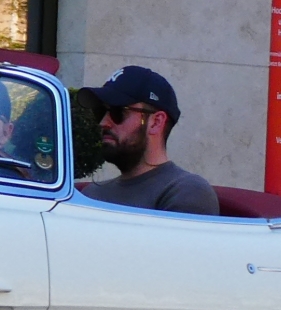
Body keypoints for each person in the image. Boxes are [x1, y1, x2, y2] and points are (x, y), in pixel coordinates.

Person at [80, 66, 218, 215]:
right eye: (100, 112)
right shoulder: (91, 194)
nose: (103, 123)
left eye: (117, 112)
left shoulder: (187, 192)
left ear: (156, 122)